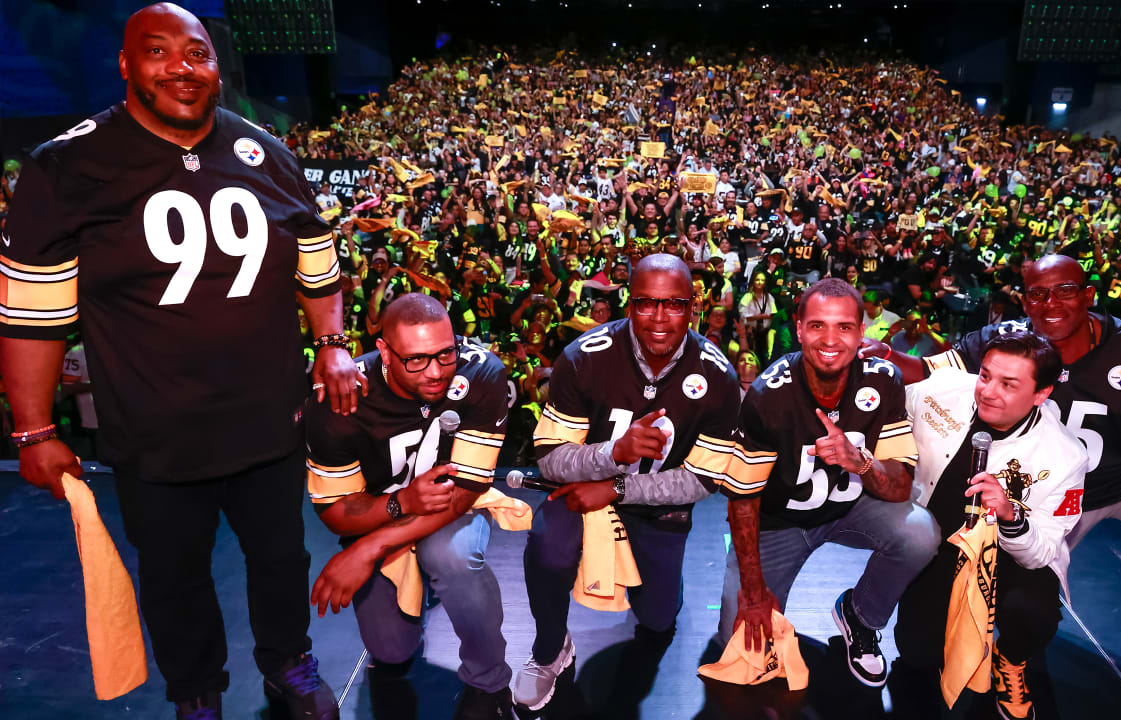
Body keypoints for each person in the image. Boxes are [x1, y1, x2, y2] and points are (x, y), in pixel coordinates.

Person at [0, 5, 360, 718]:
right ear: (127, 65)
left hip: (267, 421)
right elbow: (31, 316)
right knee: (174, 577)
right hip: (154, 430)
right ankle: (196, 692)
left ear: (216, 66)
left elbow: (317, 260)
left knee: (282, 559)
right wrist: (35, 430)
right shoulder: (67, 165)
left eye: (196, 53)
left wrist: (333, 342)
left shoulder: (267, 152)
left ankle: (288, 661)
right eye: (158, 52)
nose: (181, 68)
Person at [865, 255, 1121, 720]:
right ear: (1024, 299)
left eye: (1064, 290)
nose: (1050, 303)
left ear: (1088, 295)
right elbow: (937, 373)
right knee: (1018, 583)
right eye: (1037, 293)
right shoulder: (1008, 341)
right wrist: (888, 357)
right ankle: (1008, 650)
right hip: (1044, 489)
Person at [518, 253, 741, 712]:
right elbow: (550, 460)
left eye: (674, 304)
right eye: (646, 303)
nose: (659, 318)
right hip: (584, 491)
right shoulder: (583, 358)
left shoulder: (718, 376)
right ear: (628, 303)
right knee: (547, 542)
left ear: (693, 308)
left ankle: (663, 588)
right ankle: (548, 651)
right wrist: (612, 454)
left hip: (659, 506)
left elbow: (703, 480)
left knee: (658, 621)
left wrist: (617, 487)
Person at [718, 278, 939, 688]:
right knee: (742, 645)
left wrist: (862, 462)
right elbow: (742, 502)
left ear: (861, 332)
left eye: (844, 327)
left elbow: (899, 488)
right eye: (818, 325)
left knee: (919, 532)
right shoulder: (769, 395)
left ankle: (861, 616)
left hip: (849, 508)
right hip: (779, 524)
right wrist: (752, 589)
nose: (831, 339)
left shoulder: (883, 379)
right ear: (799, 328)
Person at [304, 294, 515, 718]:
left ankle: (489, 682)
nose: (436, 372)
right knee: (391, 651)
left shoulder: (482, 373)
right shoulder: (340, 395)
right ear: (384, 350)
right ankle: (413, 591)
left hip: (448, 508)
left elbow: (465, 491)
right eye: (416, 360)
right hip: (377, 512)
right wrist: (401, 504)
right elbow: (334, 512)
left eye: (445, 353)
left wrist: (367, 549)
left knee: (451, 557)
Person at [892, 331, 1088, 720]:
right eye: (985, 376)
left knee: (1033, 613)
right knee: (916, 654)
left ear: (1041, 394)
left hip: (1010, 561)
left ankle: (1011, 660)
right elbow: (895, 414)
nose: (988, 392)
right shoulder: (943, 389)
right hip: (942, 548)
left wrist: (1011, 517)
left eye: (1008, 384)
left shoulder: (1065, 456)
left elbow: (1043, 553)